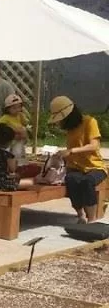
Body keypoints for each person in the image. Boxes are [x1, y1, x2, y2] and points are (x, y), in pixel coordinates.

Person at [49, 96, 107, 224]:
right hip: (75, 167)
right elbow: (70, 152)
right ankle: (80, 215)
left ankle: (91, 219)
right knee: (71, 180)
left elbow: (94, 145)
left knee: (87, 182)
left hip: (95, 167)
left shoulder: (90, 121)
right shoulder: (70, 130)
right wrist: (59, 156)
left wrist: (71, 151)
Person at [0, 126, 34, 192]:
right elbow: (13, 169)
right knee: (30, 182)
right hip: (2, 183)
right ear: (9, 142)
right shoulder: (7, 155)